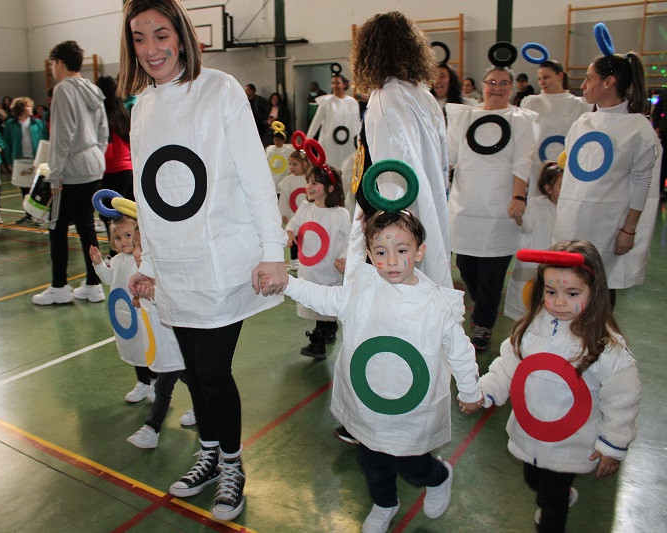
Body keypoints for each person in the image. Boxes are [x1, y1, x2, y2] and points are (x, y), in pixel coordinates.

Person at [119, 0, 288, 521]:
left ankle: (232, 464)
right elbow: (146, 188)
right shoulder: (142, 106)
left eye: (161, 34)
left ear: (183, 35)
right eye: (140, 38)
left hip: (222, 257)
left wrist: (274, 251)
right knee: (194, 369)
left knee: (213, 371)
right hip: (172, 264)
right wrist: (146, 257)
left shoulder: (220, 89)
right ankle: (210, 453)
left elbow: (255, 175)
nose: (151, 49)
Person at [273, 210, 481, 533]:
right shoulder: (363, 290)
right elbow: (325, 298)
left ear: (419, 251)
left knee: (412, 465)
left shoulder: (436, 304)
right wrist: (288, 283)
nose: (392, 261)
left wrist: (470, 390)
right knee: (372, 461)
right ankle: (385, 503)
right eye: (381, 253)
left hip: (411, 409)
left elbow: (461, 351)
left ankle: (438, 476)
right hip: (370, 405)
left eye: (402, 250)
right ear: (370, 255)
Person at [473, 240, 640, 533]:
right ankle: (557, 496)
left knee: (550, 499)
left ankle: (554, 509)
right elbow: (509, 364)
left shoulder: (605, 346)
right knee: (533, 480)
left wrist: (614, 443)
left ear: (595, 291)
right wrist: (487, 390)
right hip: (532, 434)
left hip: (572, 443)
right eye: (551, 292)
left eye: (572, 293)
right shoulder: (530, 328)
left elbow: (622, 397)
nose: (559, 302)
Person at [349, 11, 453, 289]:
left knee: (390, 294)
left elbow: (395, 167)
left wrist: (384, 218)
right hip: (422, 205)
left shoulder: (388, 99)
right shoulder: (421, 94)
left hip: (393, 218)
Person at [552, 51, 659, 298]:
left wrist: (629, 230)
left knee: (597, 290)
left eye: (589, 78)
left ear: (609, 82)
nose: (583, 85)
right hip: (571, 219)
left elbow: (642, 182)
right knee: (566, 285)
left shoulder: (638, 129)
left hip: (607, 225)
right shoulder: (583, 121)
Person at [446, 65, 537, 350]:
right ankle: (483, 307)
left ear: (511, 87)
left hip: (500, 209)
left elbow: (523, 160)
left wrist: (518, 197)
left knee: (492, 272)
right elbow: (447, 156)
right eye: (491, 82)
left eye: (503, 82)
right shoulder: (463, 116)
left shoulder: (521, 119)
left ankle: (483, 324)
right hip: (464, 207)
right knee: (465, 265)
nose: (496, 87)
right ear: (482, 85)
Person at [89, 215, 194, 449]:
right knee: (170, 370)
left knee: (171, 377)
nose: (129, 246)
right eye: (119, 238)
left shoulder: (156, 267)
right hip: (149, 329)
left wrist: (148, 295)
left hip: (166, 333)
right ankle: (188, 403)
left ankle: (154, 426)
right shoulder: (118, 262)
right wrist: (98, 264)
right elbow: (112, 279)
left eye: (134, 242)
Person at [32, 40, 108, 306]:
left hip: (72, 170)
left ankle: (59, 286)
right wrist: (95, 155)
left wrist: (55, 174)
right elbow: (103, 133)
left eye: (52, 63)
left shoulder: (64, 90)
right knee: (86, 225)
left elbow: (62, 136)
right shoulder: (93, 89)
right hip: (93, 165)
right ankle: (93, 283)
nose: (52, 68)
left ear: (59, 63)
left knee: (57, 226)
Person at [285, 161, 349, 358]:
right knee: (314, 301)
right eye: (308, 182)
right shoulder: (305, 209)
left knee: (325, 300)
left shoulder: (340, 214)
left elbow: (349, 240)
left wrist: (344, 258)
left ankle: (318, 342)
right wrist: (289, 233)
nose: (309, 187)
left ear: (329, 188)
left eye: (315, 183)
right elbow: (294, 225)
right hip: (309, 268)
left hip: (328, 269)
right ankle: (328, 327)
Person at [504, 162, 562, 320]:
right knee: (528, 298)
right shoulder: (538, 204)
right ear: (548, 188)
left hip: (557, 262)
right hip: (534, 261)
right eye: (560, 186)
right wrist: (520, 219)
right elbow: (526, 226)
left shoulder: (569, 209)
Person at [520, 60, 591, 179]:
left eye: (546, 77)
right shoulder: (531, 103)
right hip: (537, 165)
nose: (542, 82)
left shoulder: (579, 104)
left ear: (560, 76)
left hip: (568, 163)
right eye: (539, 79)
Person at [95, 75, 134, 256]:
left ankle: (117, 255)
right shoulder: (122, 112)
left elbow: (108, 150)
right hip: (128, 170)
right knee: (128, 216)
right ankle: (131, 249)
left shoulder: (104, 116)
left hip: (113, 171)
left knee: (111, 217)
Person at [3, 97, 48, 224]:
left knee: (39, 188)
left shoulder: (37, 123)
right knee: (24, 189)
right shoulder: (11, 125)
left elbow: (44, 140)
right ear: (21, 108)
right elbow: (7, 143)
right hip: (20, 160)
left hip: (36, 160)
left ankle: (40, 215)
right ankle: (28, 214)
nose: (31, 108)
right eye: (29, 106)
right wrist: (9, 161)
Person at [307, 73, 360, 170]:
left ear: (344, 84)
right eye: (333, 83)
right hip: (329, 142)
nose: (335, 86)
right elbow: (316, 121)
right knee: (329, 167)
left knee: (347, 168)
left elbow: (357, 123)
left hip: (347, 142)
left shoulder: (352, 102)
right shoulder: (326, 101)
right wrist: (307, 140)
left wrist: (359, 142)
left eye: (337, 83)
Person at [278, 149, 310, 271]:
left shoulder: (308, 178)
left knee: (307, 237)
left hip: (307, 214)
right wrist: (283, 212)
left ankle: (306, 260)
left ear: (304, 165)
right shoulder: (288, 180)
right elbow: (284, 197)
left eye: (295, 164)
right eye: (290, 164)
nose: (291, 167)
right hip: (293, 215)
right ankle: (294, 262)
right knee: (293, 238)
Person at [264, 129, 294, 195]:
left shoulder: (289, 149)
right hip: (273, 177)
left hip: (284, 176)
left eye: (279, 140)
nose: (277, 141)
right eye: (275, 139)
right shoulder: (269, 149)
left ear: (283, 140)